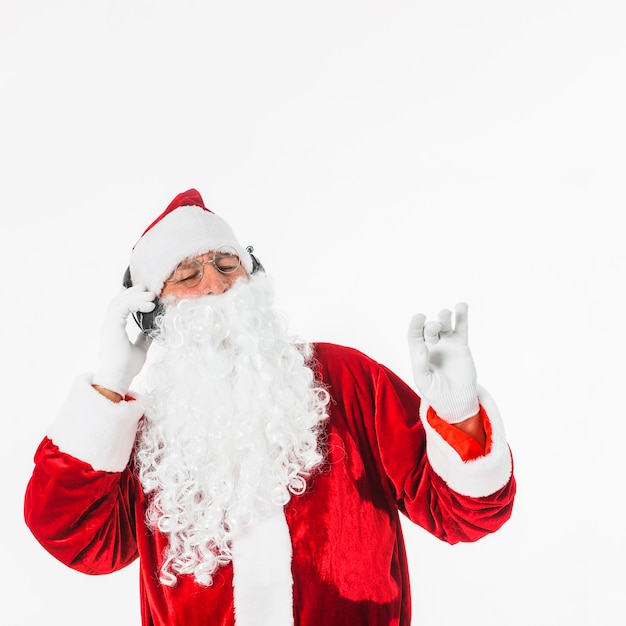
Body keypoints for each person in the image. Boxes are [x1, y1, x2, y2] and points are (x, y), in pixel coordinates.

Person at [24, 189, 515, 626]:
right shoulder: (145, 434)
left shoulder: (346, 379)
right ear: (154, 311)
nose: (214, 287)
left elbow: (463, 515)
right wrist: (111, 380)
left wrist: (460, 414)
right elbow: (75, 538)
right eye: (188, 275)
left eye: (225, 265)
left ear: (252, 275)